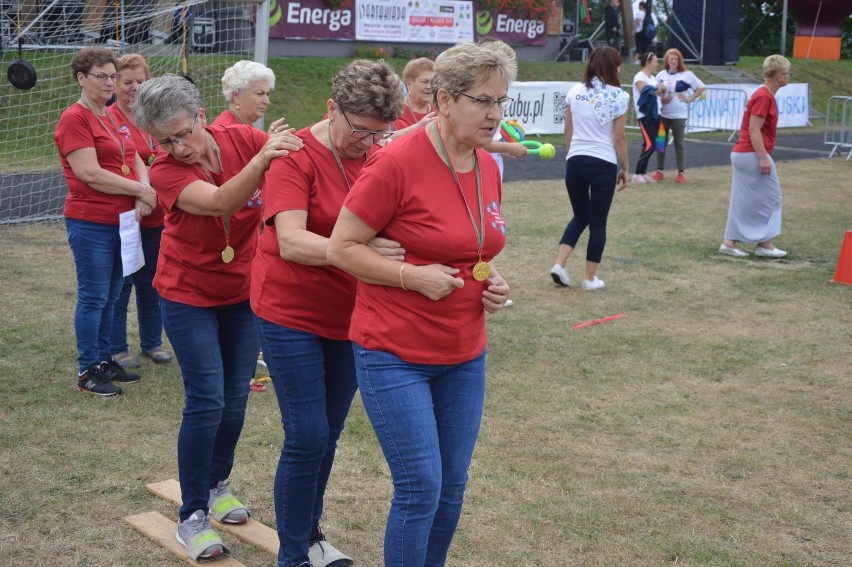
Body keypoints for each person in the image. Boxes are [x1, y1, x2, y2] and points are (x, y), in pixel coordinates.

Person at [327, 41, 514, 567]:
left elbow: (475, 242)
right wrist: (410, 277)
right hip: (394, 352)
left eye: (502, 100)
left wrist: (493, 280)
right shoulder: (396, 160)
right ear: (445, 99)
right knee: (421, 487)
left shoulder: (488, 164)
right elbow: (342, 248)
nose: (495, 113)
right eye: (483, 100)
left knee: (452, 487)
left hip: (464, 352)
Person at [134, 74, 303, 562]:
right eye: (165, 139)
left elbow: (296, 159)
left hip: (243, 289)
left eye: (184, 132)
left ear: (202, 116)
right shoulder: (164, 170)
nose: (178, 146)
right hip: (187, 294)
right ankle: (191, 515)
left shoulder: (242, 139)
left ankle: (215, 483)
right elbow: (220, 202)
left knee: (234, 398)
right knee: (206, 398)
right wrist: (262, 159)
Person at [252, 59, 405, 567]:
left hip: (350, 313)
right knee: (308, 433)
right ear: (331, 108)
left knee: (330, 431)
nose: (368, 143)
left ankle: (310, 533)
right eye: (359, 130)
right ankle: (293, 555)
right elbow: (292, 242)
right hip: (288, 310)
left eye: (378, 134)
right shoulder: (294, 154)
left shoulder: (382, 151)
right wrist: (363, 252)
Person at [55, 46, 156, 396]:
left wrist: (143, 187)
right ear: (81, 78)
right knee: (95, 297)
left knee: (113, 296)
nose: (110, 82)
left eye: (112, 76)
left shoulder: (111, 116)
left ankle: (103, 360)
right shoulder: (75, 118)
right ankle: (87, 371)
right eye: (102, 76)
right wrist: (141, 191)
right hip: (92, 221)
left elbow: (138, 157)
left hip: (122, 220)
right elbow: (90, 174)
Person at [108, 53, 171, 368]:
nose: (134, 88)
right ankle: (117, 347)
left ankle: (152, 343)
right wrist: (141, 194)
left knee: (152, 280)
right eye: (127, 81)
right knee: (123, 281)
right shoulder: (107, 118)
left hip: (158, 216)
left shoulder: (156, 118)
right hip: (126, 215)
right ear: (114, 83)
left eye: (140, 81)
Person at [550, 46, 630, 291]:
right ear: (611, 67)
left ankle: (560, 265)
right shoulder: (619, 95)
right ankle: (590, 278)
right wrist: (626, 168)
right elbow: (619, 138)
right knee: (598, 222)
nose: (620, 69)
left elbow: (567, 130)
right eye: (618, 65)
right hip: (602, 161)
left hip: (575, 159)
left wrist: (570, 155)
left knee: (579, 215)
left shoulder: (575, 91)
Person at [719, 55, 791, 259]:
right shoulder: (764, 96)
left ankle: (734, 242)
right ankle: (763, 243)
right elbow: (754, 129)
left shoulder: (763, 94)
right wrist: (763, 157)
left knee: (748, 199)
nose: (789, 76)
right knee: (772, 197)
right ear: (779, 77)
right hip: (750, 153)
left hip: (746, 153)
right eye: (787, 73)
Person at [653, 48, 706, 183]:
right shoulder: (661, 75)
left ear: (679, 60)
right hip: (663, 114)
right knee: (660, 143)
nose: (674, 61)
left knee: (679, 143)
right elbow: (655, 92)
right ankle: (659, 171)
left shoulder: (687, 75)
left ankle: (681, 172)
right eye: (671, 59)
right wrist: (661, 98)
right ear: (667, 60)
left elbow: (701, 87)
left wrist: (690, 99)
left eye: (676, 59)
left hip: (679, 115)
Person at [214, 60, 288, 134]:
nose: (267, 101)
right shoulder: (227, 130)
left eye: (267, 94)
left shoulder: (241, 125)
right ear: (236, 97)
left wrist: (268, 140)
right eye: (260, 93)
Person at [631, 51, 665, 183]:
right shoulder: (640, 76)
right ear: (648, 62)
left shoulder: (652, 78)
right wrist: (657, 89)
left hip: (656, 114)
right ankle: (637, 173)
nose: (657, 64)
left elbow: (658, 90)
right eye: (655, 61)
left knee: (653, 144)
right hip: (645, 115)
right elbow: (643, 90)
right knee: (649, 144)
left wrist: (659, 90)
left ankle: (642, 172)